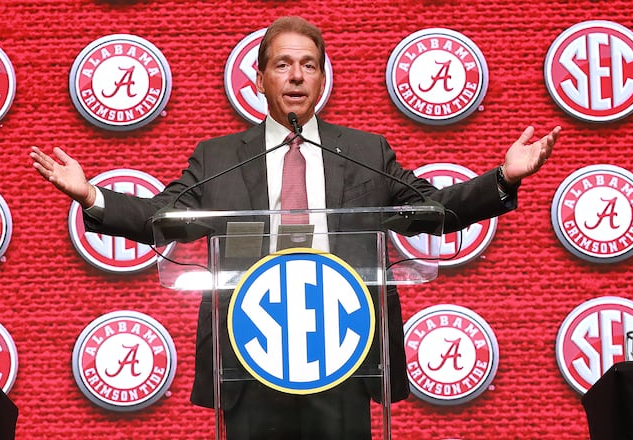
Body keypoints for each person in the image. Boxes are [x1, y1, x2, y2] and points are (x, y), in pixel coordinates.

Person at [31, 16, 560, 440]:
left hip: (347, 348)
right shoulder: (218, 157)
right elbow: (161, 220)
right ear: (259, 78)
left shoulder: (364, 151)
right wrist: (91, 195)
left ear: (323, 79)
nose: (296, 76)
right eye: (282, 64)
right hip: (249, 349)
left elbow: (432, 211)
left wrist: (503, 178)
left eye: (309, 65)